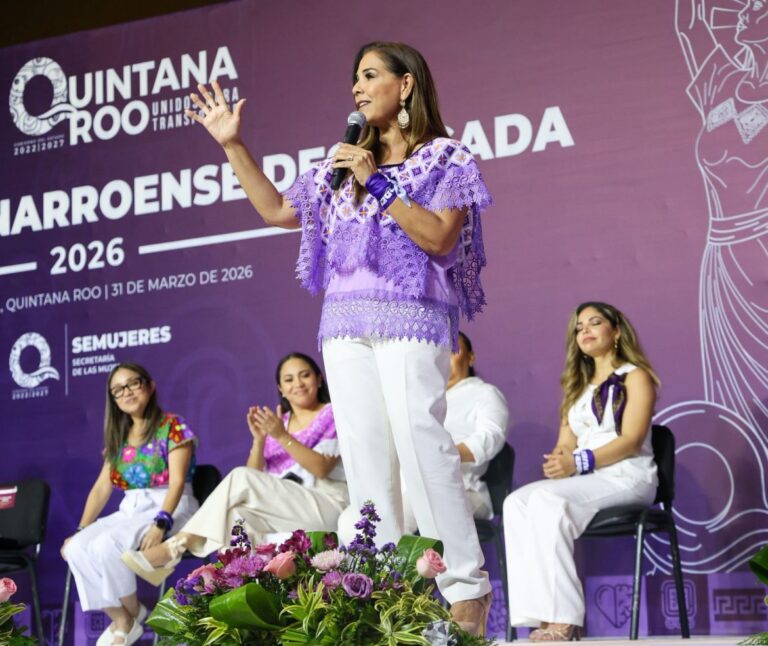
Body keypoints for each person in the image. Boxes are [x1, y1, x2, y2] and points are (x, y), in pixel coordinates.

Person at [180, 41, 493, 634]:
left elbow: (439, 239)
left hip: (410, 318)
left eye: (370, 75)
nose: (357, 87)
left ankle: (465, 587)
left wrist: (378, 182)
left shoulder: (444, 158)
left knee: (421, 444)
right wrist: (232, 144)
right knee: (367, 460)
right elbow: (277, 210)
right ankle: (386, 592)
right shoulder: (340, 168)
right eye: (354, 78)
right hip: (345, 328)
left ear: (405, 85)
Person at [503, 302, 659, 641]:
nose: (585, 330)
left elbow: (632, 440)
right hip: (588, 480)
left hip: (628, 476)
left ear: (616, 331)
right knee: (516, 503)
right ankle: (537, 615)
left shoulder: (636, 376)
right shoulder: (576, 387)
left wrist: (580, 461)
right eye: (579, 327)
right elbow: (566, 443)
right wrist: (560, 459)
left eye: (594, 322)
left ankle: (564, 618)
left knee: (546, 501)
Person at [122, 352, 347, 581]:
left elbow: (321, 468)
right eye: (289, 379)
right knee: (235, 517)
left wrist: (281, 436)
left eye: (305, 375)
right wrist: (259, 441)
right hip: (288, 508)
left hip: (326, 503)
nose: (298, 384)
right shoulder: (280, 423)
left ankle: (176, 546)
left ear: (319, 379)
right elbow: (254, 477)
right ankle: (241, 585)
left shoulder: (332, 413)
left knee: (239, 476)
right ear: (281, 388)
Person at [61, 363, 198, 646]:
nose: (127, 392)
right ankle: (123, 616)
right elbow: (101, 488)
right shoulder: (119, 437)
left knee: (106, 544)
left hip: (172, 505)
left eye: (133, 383)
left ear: (149, 385)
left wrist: (161, 523)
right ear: (113, 399)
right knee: (75, 548)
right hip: (131, 509)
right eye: (118, 390)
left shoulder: (172, 425)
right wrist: (81, 529)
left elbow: (177, 482)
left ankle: (131, 615)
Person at [337, 330, 509, 542]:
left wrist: (441, 453)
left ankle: (403, 564)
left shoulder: (484, 393)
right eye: (439, 351)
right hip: (404, 485)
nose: (444, 357)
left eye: (452, 351)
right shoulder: (417, 399)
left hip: (459, 485)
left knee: (387, 524)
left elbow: (491, 436)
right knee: (350, 521)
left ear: (471, 357)